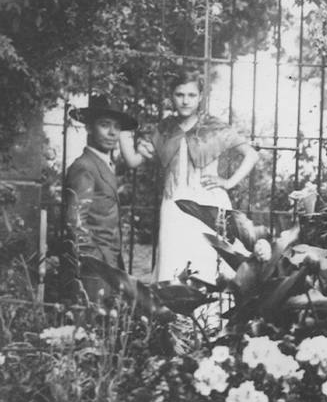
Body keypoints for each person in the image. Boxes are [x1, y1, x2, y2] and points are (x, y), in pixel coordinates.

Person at [127, 68, 259, 283]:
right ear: (172, 96)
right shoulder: (164, 129)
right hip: (174, 203)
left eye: (191, 95)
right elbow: (133, 161)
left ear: (200, 97)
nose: (185, 101)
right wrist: (124, 131)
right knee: (173, 260)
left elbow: (251, 155)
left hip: (208, 202)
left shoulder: (214, 127)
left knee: (207, 260)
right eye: (179, 95)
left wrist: (228, 182)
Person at [62, 95, 139, 301]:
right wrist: (97, 263)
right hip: (93, 269)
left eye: (117, 127)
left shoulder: (103, 165)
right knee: (90, 318)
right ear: (89, 128)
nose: (112, 133)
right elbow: (75, 224)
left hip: (109, 265)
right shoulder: (84, 167)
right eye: (104, 125)